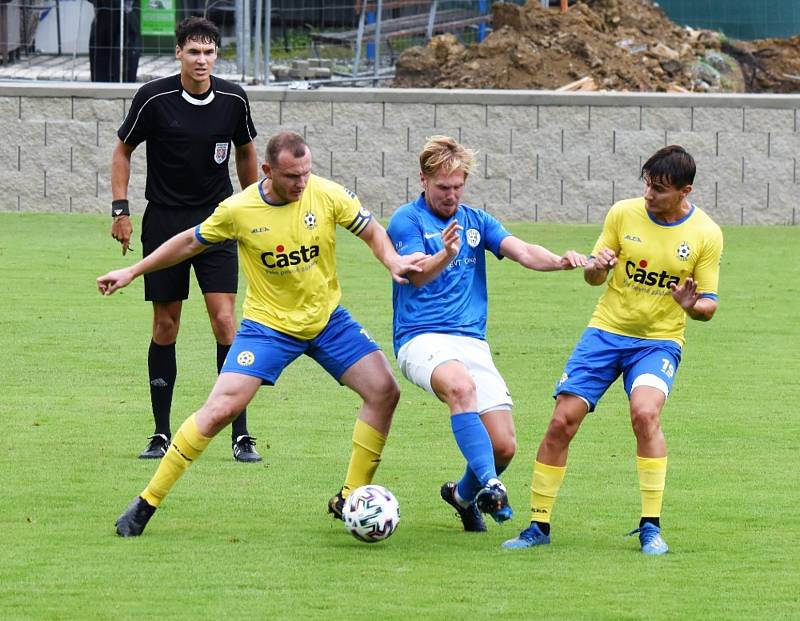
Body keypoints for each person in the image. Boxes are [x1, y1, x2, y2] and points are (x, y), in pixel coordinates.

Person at [98, 131, 425, 537]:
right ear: (267, 171)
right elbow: (188, 242)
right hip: (267, 329)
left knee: (384, 391)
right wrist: (132, 271)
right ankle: (146, 502)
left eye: (306, 173)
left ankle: (349, 495)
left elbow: (372, 230)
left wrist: (391, 260)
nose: (301, 182)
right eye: (292, 176)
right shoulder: (239, 209)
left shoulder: (326, 194)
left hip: (327, 321)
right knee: (220, 410)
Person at [503, 145, 723, 555]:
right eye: (647, 184)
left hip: (658, 341)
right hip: (605, 333)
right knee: (561, 422)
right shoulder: (623, 214)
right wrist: (598, 266)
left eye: (659, 189)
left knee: (645, 413)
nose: (648, 195)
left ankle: (650, 527)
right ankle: (538, 525)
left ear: (685, 191)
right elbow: (592, 277)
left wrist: (692, 306)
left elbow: (709, 303)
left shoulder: (706, 234)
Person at [386, 135, 587, 532]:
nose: (451, 195)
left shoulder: (476, 221)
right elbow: (416, 276)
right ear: (423, 180)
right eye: (443, 187)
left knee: (503, 445)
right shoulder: (406, 221)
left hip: (471, 341)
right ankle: (492, 486)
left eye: (458, 186)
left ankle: (461, 496)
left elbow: (524, 251)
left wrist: (561, 261)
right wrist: (445, 254)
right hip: (420, 337)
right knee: (460, 389)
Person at [109, 16, 262, 462]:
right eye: (193, 51)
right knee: (166, 325)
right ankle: (160, 433)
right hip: (164, 223)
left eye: (209, 51)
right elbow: (122, 149)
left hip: (218, 221)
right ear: (178, 53)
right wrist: (121, 210)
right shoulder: (153, 98)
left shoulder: (234, 99)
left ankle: (241, 433)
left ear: (217, 55)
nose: (201, 59)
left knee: (225, 322)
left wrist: (253, 209)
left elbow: (247, 151)